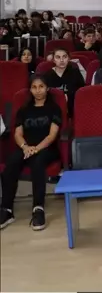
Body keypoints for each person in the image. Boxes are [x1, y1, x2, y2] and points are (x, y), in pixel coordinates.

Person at [0, 75, 62, 231]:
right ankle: (6, 209)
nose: (38, 90)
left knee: (38, 163)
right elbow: (17, 133)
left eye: (41, 87)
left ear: (47, 88)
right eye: (34, 87)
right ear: (30, 90)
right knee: (11, 163)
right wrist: (25, 147)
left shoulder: (54, 108)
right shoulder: (24, 109)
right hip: (26, 148)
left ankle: (38, 208)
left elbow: (52, 135)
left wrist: (36, 148)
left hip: (47, 149)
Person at [43, 48, 85, 117]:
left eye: (64, 57)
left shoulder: (75, 72)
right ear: (53, 60)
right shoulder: (47, 75)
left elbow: (82, 93)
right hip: (53, 111)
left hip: (73, 110)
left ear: (69, 58)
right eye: (58, 57)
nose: (62, 60)